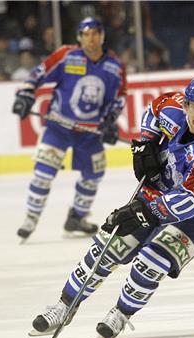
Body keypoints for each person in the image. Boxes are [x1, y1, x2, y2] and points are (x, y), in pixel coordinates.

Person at [29, 76, 194, 338]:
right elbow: (154, 110)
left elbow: (188, 203)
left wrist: (143, 212)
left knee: (150, 262)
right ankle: (64, 305)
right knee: (108, 247)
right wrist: (146, 142)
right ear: (185, 104)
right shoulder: (173, 109)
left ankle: (121, 313)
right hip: (156, 192)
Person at [13, 17, 126, 241]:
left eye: (95, 33)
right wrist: (26, 94)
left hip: (90, 132)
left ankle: (77, 216)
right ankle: (31, 217)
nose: (91, 38)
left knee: (93, 175)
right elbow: (39, 72)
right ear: (79, 37)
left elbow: (119, 98)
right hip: (58, 126)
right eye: (86, 34)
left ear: (102, 36)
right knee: (43, 174)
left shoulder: (115, 67)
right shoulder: (66, 55)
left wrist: (110, 122)